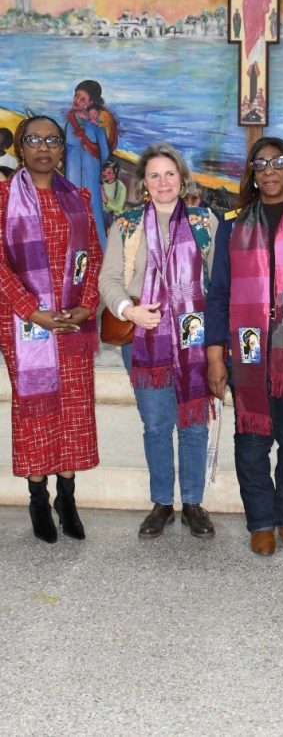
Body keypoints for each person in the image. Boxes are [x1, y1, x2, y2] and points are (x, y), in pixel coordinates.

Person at [206, 137, 283, 555]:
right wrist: (215, 354)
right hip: (249, 349)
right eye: (261, 165)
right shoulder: (232, 225)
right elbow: (219, 293)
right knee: (253, 437)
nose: (270, 171)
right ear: (253, 174)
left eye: (278, 163)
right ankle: (260, 520)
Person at [99, 143, 218, 539]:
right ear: (143, 183)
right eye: (154, 175)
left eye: (170, 174)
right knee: (155, 424)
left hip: (194, 337)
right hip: (145, 337)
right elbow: (109, 279)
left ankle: (194, 504)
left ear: (182, 179)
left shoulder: (205, 222)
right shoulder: (127, 224)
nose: (163, 182)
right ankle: (162, 503)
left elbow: (218, 282)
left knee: (194, 424)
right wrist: (128, 311)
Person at [0, 116, 102, 542]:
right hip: (26, 326)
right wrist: (32, 311)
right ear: (20, 148)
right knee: (35, 410)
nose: (44, 147)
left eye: (52, 140)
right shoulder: (3, 196)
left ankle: (68, 495)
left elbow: (94, 257)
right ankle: (38, 498)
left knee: (74, 407)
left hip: (72, 324)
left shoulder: (76, 197)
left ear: (62, 149)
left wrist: (86, 305)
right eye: (34, 140)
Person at [65, 80, 118, 250]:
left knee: (95, 220)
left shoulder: (97, 127)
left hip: (92, 183)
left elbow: (105, 156)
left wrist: (101, 185)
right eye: (76, 96)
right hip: (71, 183)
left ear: (90, 103)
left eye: (82, 99)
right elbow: (65, 152)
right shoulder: (69, 123)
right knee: (72, 220)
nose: (77, 100)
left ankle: (101, 260)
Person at [100, 157, 127, 228]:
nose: (105, 174)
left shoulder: (121, 187)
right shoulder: (99, 182)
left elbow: (119, 207)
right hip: (100, 214)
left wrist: (106, 200)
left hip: (113, 215)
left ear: (114, 175)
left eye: (109, 173)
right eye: (104, 170)